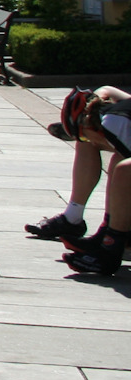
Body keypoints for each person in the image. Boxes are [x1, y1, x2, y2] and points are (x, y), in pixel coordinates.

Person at [26, 86, 129, 241]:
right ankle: (73, 217)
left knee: (120, 161)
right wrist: (92, 103)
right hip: (112, 123)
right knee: (86, 143)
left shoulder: (116, 125)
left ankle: (113, 229)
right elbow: (107, 89)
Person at [52, 89, 131, 275]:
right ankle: (109, 233)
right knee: (120, 160)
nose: (93, 143)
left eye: (86, 136)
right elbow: (109, 89)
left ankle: (110, 251)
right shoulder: (116, 116)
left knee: (124, 169)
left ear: (91, 126)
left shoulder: (114, 123)